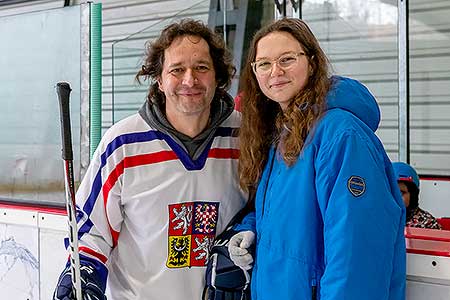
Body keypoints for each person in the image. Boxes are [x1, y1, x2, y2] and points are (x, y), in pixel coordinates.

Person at [53, 19, 247, 300]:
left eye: (201, 68)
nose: (189, 80)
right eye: (177, 70)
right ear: (159, 78)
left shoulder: (245, 137)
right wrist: (84, 271)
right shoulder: (123, 143)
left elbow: (265, 209)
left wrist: (246, 233)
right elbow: (92, 230)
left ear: (217, 76)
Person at [228, 18, 406, 300]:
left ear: (311, 62)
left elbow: (357, 252)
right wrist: (250, 229)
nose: (275, 71)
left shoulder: (341, 134)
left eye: (287, 59)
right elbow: (290, 216)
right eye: (264, 63)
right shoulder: (284, 132)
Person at [392, 162, 441, 229]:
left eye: (401, 193)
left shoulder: (427, 223)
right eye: (390, 192)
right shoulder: (378, 218)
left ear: (413, 196)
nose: (395, 197)